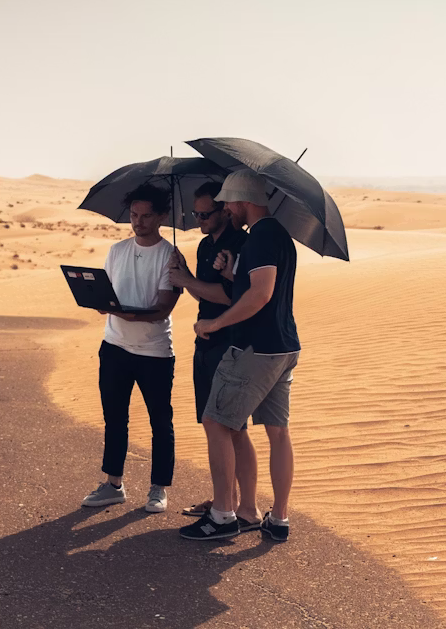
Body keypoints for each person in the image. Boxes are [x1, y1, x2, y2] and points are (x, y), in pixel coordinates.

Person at [178, 169, 300, 542]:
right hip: (283, 345)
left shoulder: (260, 236)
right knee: (278, 432)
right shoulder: (279, 235)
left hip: (255, 347)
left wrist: (215, 324)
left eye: (229, 202)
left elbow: (260, 295)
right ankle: (277, 518)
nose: (227, 209)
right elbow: (258, 287)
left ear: (244, 200)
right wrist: (234, 274)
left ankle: (223, 515)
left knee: (217, 422)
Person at [82, 184, 182, 513]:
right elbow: (108, 294)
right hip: (114, 346)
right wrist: (100, 302)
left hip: (154, 352)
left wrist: (129, 313)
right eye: (134, 215)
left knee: (160, 421)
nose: (138, 222)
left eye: (146, 216)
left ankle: (158, 489)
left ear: (162, 217)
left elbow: (163, 309)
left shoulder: (171, 256)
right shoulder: (116, 250)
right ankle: (113, 484)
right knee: (114, 418)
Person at [167, 182, 259, 531]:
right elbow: (205, 296)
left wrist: (187, 279)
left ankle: (246, 508)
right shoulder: (206, 245)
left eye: (205, 214)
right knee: (215, 427)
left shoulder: (241, 244)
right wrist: (186, 278)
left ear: (224, 210)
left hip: (231, 345)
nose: (200, 220)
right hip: (205, 342)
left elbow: (230, 297)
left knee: (233, 428)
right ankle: (226, 500)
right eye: (196, 214)